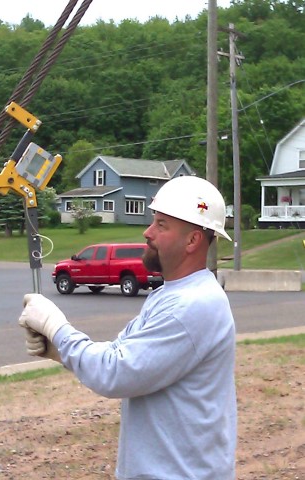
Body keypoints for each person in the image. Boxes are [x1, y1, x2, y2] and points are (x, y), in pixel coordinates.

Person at [18, 175, 237, 480]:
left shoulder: (191, 306)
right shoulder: (170, 295)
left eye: (162, 225)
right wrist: (59, 351)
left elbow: (115, 373)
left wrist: (57, 328)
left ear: (192, 241)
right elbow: (120, 353)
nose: (148, 233)